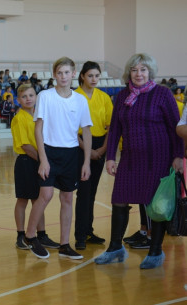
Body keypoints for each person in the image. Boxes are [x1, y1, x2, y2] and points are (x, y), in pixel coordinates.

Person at [95, 53, 183, 269]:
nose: (138, 74)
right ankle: (115, 248)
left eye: (143, 70)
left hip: (159, 158)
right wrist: (110, 158)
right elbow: (115, 128)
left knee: (157, 206)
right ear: (129, 73)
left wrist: (178, 156)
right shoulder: (123, 95)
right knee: (119, 200)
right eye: (134, 70)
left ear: (150, 72)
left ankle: (155, 252)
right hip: (131, 159)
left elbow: (176, 128)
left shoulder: (162, 94)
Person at [23, 57, 92, 260]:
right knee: (45, 196)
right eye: (59, 72)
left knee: (67, 198)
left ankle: (64, 244)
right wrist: (43, 159)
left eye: (67, 72)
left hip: (71, 154)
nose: (63, 76)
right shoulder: (45, 96)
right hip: (50, 152)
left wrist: (86, 161)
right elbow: (38, 129)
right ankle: (29, 236)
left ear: (73, 74)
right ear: (54, 74)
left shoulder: (80, 100)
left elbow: (86, 132)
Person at [11, 84, 60, 250]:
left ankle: (42, 235)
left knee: (38, 199)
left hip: (39, 160)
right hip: (26, 161)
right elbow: (25, 145)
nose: (28, 99)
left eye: (31, 95)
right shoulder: (19, 118)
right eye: (24, 96)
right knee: (23, 199)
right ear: (18, 100)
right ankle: (20, 235)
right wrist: (43, 159)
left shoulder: (38, 116)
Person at [73, 61, 113, 250]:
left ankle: (88, 231)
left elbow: (110, 126)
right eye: (90, 75)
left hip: (100, 145)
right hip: (79, 145)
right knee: (83, 191)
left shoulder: (104, 97)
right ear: (82, 76)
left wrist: (102, 149)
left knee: (92, 192)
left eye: (97, 75)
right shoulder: (74, 96)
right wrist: (88, 151)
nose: (94, 79)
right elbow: (70, 128)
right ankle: (80, 235)